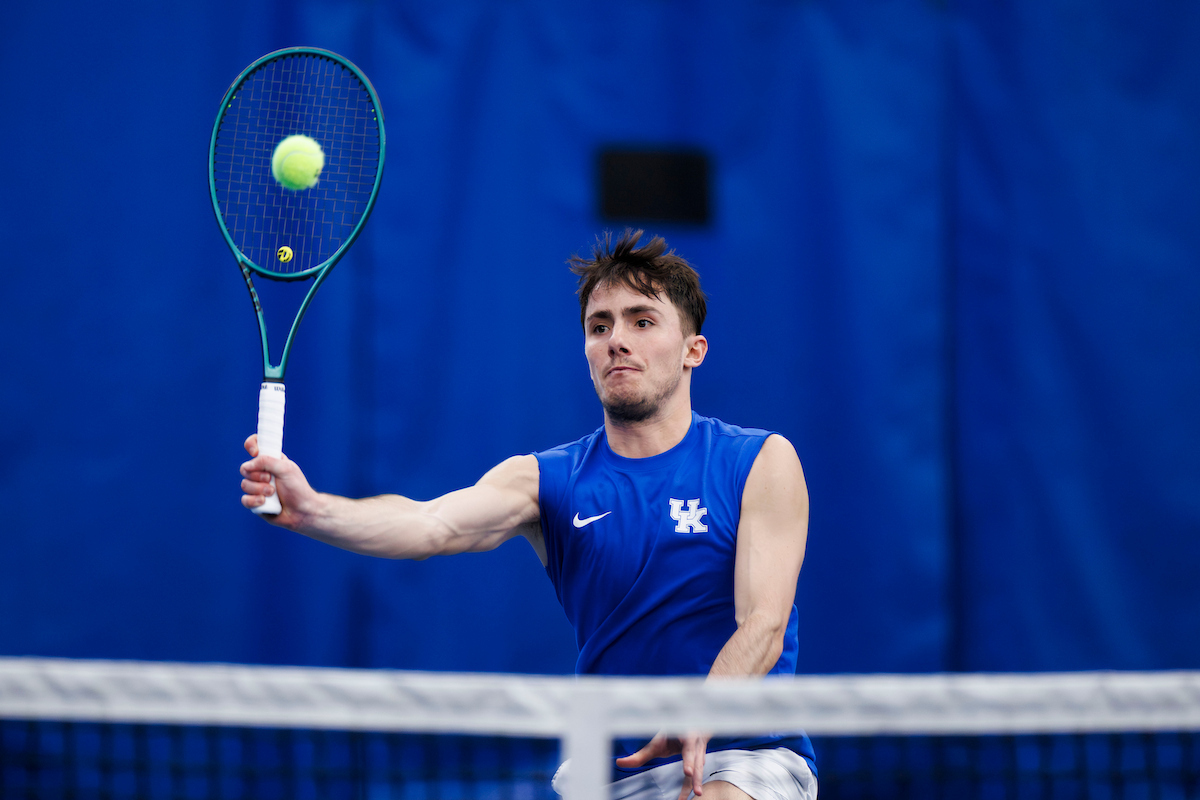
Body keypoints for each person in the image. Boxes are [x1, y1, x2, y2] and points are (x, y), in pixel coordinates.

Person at [240, 229, 815, 800]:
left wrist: (704, 710)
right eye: (599, 326)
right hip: (608, 772)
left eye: (642, 321)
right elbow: (429, 524)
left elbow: (762, 620)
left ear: (694, 349)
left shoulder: (758, 461)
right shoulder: (549, 480)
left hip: (743, 757)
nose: (617, 340)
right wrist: (314, 511)